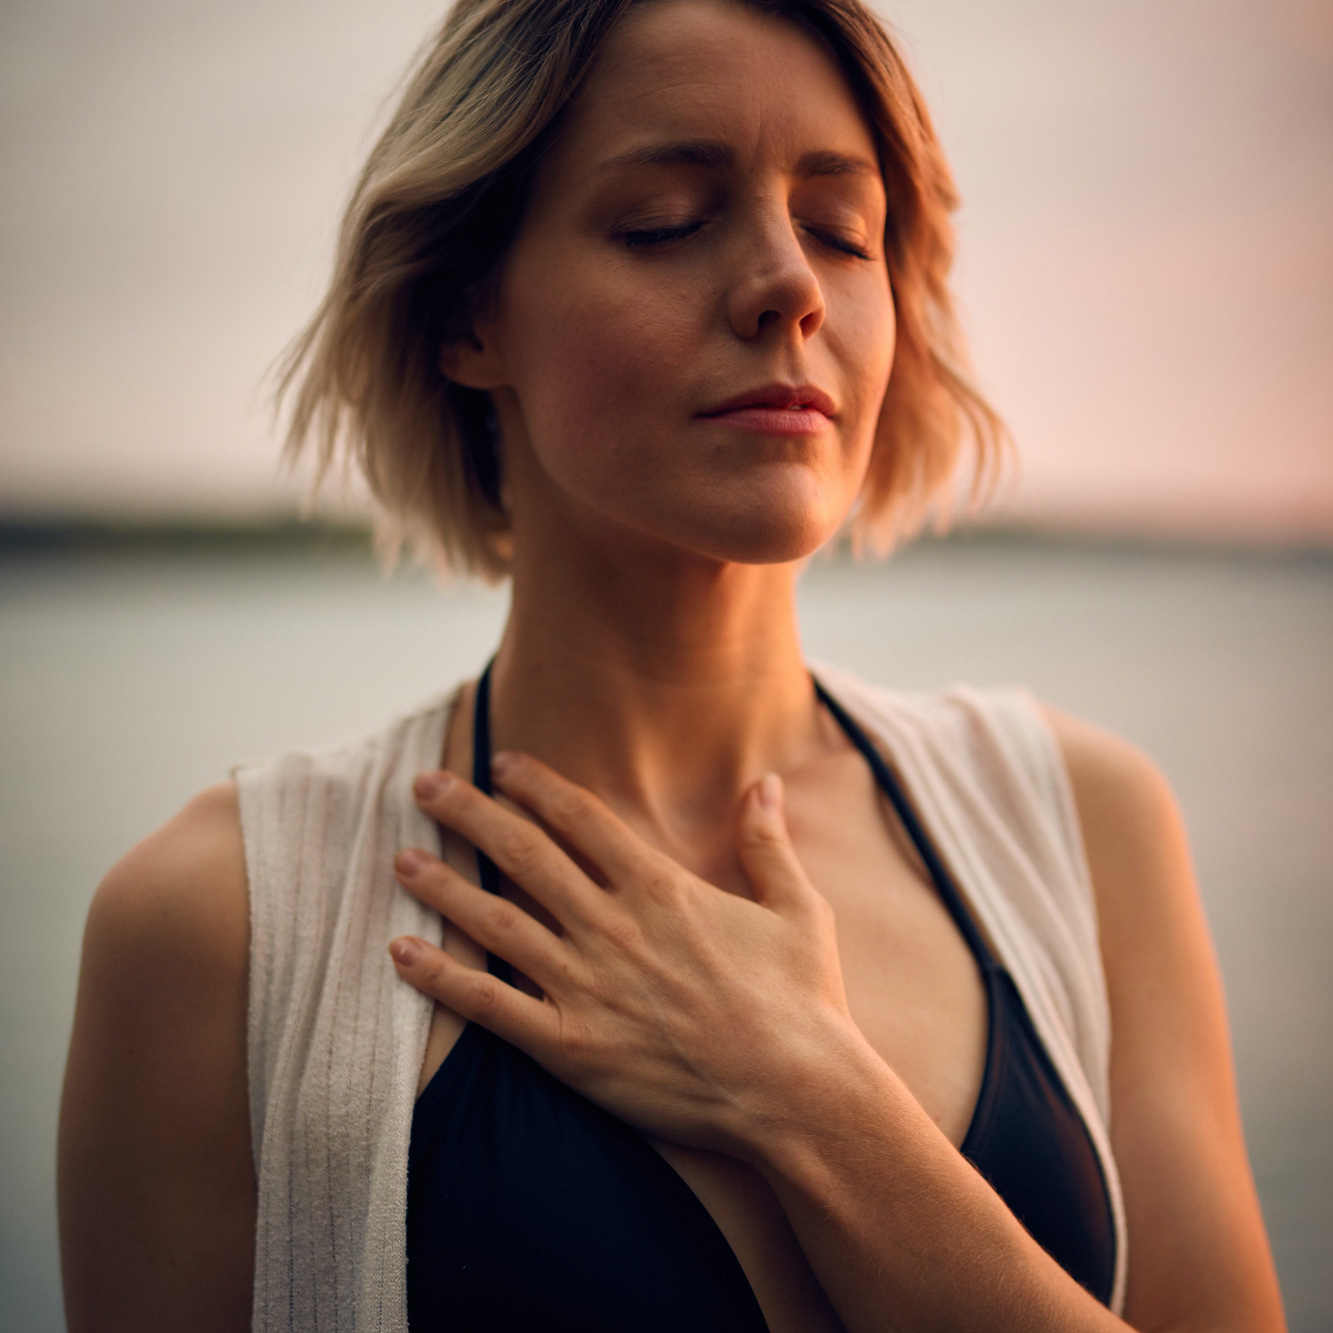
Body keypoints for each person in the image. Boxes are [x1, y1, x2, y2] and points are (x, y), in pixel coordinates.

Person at [57, 1, 1287, 1330]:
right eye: (664, 220)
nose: (789, 284)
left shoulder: (1081, 827)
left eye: (840, 229)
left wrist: (810, 1095)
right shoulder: (218, 931)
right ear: (469, 316)